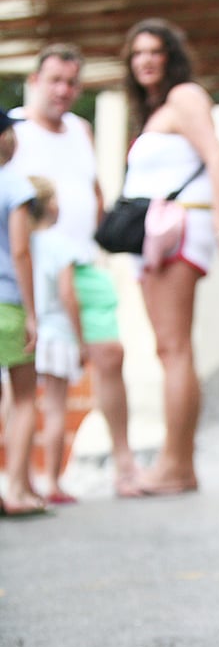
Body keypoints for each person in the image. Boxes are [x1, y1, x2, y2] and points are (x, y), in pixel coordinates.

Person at [120, 18, 219, 495]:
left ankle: (175, 466)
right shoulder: (157, 109)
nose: (146, 60)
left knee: (174, 350)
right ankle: (180, 466)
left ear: (171, 56)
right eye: (137, 53)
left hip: (177, 234)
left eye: (155, 51)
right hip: (156, 239)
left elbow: (218, 157)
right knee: (170, 349)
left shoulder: (184, 98)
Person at [9, 44, 141, 497]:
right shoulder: (15, 131)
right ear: (35, 82)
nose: (63, 91)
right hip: (34, 272)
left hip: (82, 261)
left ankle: (123, 464)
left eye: (71, 82)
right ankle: (28, 479)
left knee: (108, 355)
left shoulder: (80, 130)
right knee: (31, 377)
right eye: (55, 81)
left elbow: (94, 189)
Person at [28, 176, 88, 504]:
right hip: (58, 335)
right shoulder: (60, 244)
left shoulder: (19, 243)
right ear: (51, 205)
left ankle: (21, 481)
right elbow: (68, 294)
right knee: (54, 410)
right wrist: (81, 340)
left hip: (29, 333)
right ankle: (51, 482)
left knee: (17, 404)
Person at [0, 109, 45, 517]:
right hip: (7, 305)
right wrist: (32, 312)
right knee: (26, 397)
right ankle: (15, 487)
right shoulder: (14, 184)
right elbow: (19, 250)